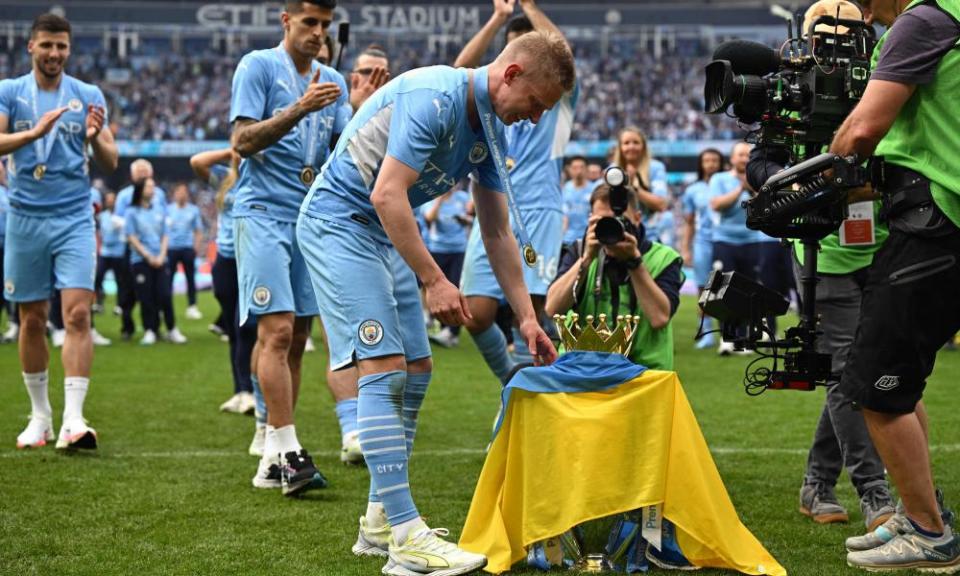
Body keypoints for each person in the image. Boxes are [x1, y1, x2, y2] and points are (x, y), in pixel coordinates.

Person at [297, 27, 570, 575]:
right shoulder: (435, 96)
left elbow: (496, 232)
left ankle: (378, 520)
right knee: (383, 368)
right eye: (536, 104)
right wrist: (434, 279)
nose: (535, 119)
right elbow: (386, 192)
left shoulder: (492, 125)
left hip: (380, 233)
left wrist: (525, 317)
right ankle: (404, 537)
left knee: (418, 368)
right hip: (339, 224)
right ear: (511, 74)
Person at [816, 0, 960, 568]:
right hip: (938, 219)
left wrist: (814, 182)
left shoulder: (922, 21)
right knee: (901, 381)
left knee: (874, 384)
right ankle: (919, 511)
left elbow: (863, 127)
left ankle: (930, 533)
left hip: (935, 221)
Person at [744, 0, 897, 534]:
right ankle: (874, 491)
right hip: (825, 255)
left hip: (883, 248)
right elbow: (759, 165)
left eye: (848, 35)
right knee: (845, 374)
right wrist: (814, 181)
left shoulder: (886, 83)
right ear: (807, 40)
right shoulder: (790, 92)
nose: (837, 47)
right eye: (827, 35)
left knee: (854, 371)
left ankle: (816, 482)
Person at [229, 0, 351, 496]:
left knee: (297, 337)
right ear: (286, 22)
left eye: (324, 25)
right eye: (309, 23)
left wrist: (363, 106)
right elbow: (241, 140)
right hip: (261, 213)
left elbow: (342, 149)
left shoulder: (335, 81)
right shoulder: (257, 66)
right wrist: (298, 108)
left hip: (308, 219)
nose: (318, 33)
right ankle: (287, 449)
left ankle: (272, 456)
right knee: (276, 331)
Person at [0, 12, 118, 450]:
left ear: (70, 50)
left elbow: (112, 159)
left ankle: (73, 418)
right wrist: (34, 132)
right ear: (30, 46)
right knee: (30, 320)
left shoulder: (86, 94)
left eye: (61, 47)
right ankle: (40, 416)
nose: (54, 54)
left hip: (73, 217)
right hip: (25, 216)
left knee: (78, 314)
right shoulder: (10, 92)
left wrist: (93, 137)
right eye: (46, 45)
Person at [456, 0, 578, 384]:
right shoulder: (495, 97)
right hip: (494, 207)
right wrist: (498, 19)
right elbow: (459, 72)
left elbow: (563, 56)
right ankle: (513, 380)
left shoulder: (556, 101)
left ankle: (535, 390)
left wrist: (528, 7)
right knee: (475, 313)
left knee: (535, 309)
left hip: (538, 209)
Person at [546, 183, 684, 370]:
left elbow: (659, 318)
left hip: (643, 373)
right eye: (602, 221)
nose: (610, 228)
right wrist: (586, 259)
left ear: (637, 219)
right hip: (581, 368)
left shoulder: (664, 258)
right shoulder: (578, 251)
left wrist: (634, 262)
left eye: (619, 221)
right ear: (590, 220)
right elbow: (553, 308)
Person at [191, 148, 256, 416]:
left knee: (247, 327)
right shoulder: (223, 177)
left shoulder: (261, 176)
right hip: (226, 260)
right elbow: (196, 161)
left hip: (252, 260)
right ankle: (240, 391)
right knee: (232, 329)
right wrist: (233, 150)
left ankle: (252, 390)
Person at [709, 142, 762, 355]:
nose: (744, 159)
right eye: (740, 155)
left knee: (749, 291)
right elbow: (716, 204)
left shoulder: (759, 181)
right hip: (725, 240)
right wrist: (741, 188)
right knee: (724, 289)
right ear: (731, 159)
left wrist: (752, 188)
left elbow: (766, 205)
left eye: (748, 155)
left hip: (752, 240)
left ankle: (745, 337)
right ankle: (727, 337)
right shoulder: (719, 179)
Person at [125, 178, 187, 346]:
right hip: (140, 260)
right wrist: (148, 256)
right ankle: (150, 330)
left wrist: (161, 255)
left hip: (161, 259)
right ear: (140, 189)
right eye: (149, 187)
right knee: (146, 297)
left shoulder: (159, 210)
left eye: (153, 186)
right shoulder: (131, 212)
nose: (153, 189)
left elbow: (165, 235)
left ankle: (172, 329)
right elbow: (131, 237)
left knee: (165, 294)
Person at [115, 159, 166, 340]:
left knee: (158, 291)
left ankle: (154, 328)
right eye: (139, 171)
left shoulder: (159, 194)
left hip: (155, 248)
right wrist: (135, 227)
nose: (143, 174)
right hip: (133, 248)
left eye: (146, 170)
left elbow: (163, 220)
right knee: (129, 291)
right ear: (133, 174)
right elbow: (117, 220)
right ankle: (127, 327)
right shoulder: (124, 196)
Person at [681, 148, 723, 349]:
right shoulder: (693, 190)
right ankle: (705, 331)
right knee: (702, 287)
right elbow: (688, 222)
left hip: (726, 240)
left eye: (715, 160)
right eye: (707, 160)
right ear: (701, 164)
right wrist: (686, 248)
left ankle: (728, 329)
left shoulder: (727, 183)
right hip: (703, 242)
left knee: (727, 285)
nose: (711, 164)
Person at [423, 184, 473, 348]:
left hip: (458, 249)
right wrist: (438, 200)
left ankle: (452, 331)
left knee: (456, 288)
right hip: (437, 249)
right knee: (437, 289)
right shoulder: (430, 197)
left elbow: (471, 217)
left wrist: (464, 219)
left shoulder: (462, 198)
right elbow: (429, 218)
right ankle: (440, 325)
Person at [612, 126, 670, 220]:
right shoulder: (612, 170)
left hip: (649, 231)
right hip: (619, 230)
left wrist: (633, 188)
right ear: (620, 148)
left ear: (643, 146)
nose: (631, 147)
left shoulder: (655, 168)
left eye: (636, 142)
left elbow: (661, 205)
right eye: (626, 143)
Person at [166, 183, 204, 320]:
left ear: (187, 194)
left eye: (184, 192)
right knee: (168, 280)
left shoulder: (193, 210)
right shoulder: (168, 210)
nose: (181, 194)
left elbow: (198, 231)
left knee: (190, 278)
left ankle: (192, 306)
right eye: (179, 191)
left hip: (187, 248)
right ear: (174, 194)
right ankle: (165, 306)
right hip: (171, 248)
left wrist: (196, 248)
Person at [94, 191, 128, 318]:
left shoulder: (122, 216)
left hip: (119, 252)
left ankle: (119, 305)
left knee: (120, 281)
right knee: (98, 277)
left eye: (112, 199)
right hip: (105, 251)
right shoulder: (102, 216)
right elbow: (98, 232)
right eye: (108, 199)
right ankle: (99, 301)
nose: (110, 202)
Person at [561, 155, 593, 250]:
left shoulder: (594, 190)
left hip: (587, 239)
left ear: (587, 169)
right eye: (575, 168)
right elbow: (564, 216)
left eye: (581, 167)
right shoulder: (565, 189)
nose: (578, 171)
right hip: (568, 240)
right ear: (569, 170)